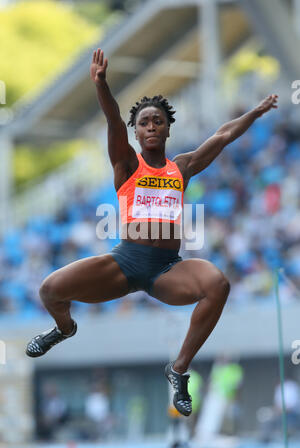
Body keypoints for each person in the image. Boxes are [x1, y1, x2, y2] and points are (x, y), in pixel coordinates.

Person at [26, 48, 278, 417]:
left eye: (157, 121)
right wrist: (101, 85)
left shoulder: (182, 167)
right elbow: (114, 123)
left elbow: (222, 136)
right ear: (137, 131)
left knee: (218, 284)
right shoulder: (127, 163)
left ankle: (178, 369)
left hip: (166, 269)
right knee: (50, 290)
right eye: (144, 122)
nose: (151, 127)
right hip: (125, 261)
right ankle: (64, 329)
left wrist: (255, 112)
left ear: (167, 128)